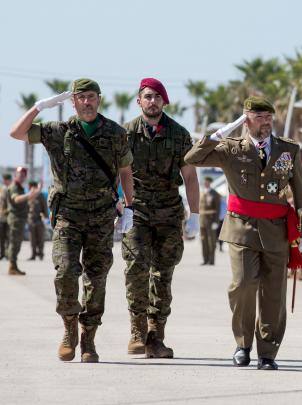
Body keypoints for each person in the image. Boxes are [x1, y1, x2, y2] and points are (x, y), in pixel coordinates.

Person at [9, 78, 135, 362]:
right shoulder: (58, 131)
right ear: (73, 102)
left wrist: (129, 208)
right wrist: (40, 107)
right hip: (67, 215)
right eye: (81, 97)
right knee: (65, 272)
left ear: (99, 100)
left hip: (102, 217)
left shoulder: (115, 133)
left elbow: (126, 172)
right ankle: (69, 330)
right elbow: (16, 133)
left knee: (96, 278)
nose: (87, 102)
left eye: (92, 97)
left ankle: (89, 339)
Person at [184, 96, 302, 370]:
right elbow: (192, 158)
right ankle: (243, 344)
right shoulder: (230, 148)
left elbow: (300, 192)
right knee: (242, 284)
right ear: (246, 118)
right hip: (241, 228)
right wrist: (221, 133)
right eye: (259, 116)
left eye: (269, 117)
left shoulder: (288, 150)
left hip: (277, 230)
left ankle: (268, 352)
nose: (266, 122)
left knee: (273, 292)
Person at [121, 78, 199, 358]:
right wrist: (120, 208)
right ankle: (137, 331)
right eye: (147, 97)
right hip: (137, 211)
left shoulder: (179, 135)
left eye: (157, 97)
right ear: (138, 101)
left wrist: (195, 215)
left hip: (168, 212)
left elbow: (189, 176)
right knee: (135, 269)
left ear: (164, 102)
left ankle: (156, 336)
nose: (152, 101)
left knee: (163, 275)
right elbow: (116, 173)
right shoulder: (126, 133)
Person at [5, 168, 39, 274]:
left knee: (17, 243)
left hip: (19, 219)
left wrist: (34, 192)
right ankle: (12, 266)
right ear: (15, 175)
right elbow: (17, 199)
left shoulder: (20, 187)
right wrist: (29, 194)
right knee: (14, 243)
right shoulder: (14, 187)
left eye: (23, 175)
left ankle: (13, 266)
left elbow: (27, 198)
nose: (22, 177)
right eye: (20, 174)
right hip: (15, 219)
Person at [200, 176, 222, 265]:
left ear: (210, 183)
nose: (206, 184)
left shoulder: (215, 194)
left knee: (211, 241)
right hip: (202, 220)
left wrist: (216, 222)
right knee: (203, 240)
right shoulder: (201, 193)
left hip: (211, 220)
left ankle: (211, 260)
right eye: (205, 182)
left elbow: (218, 209)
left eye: (207, 182)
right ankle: (205, 260)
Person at [27, 180, 48, 261]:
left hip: (39, 220)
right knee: (32, 239)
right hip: (31, 220)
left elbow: (44, 207)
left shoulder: (40, 195)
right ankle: (33, 254)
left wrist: (45, 217)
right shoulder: (29, 195)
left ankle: (41, 254)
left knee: (40, 238)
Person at [0, 174, 12, 261]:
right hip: (1, 217)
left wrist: (7, 211)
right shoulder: (2, 189)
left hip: (8, 216)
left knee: (8, 237)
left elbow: (10, 203)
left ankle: (8, 254)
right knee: (2, 237)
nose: (4, 181)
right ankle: (2, 254)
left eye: (5, 179)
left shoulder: (10, 189)